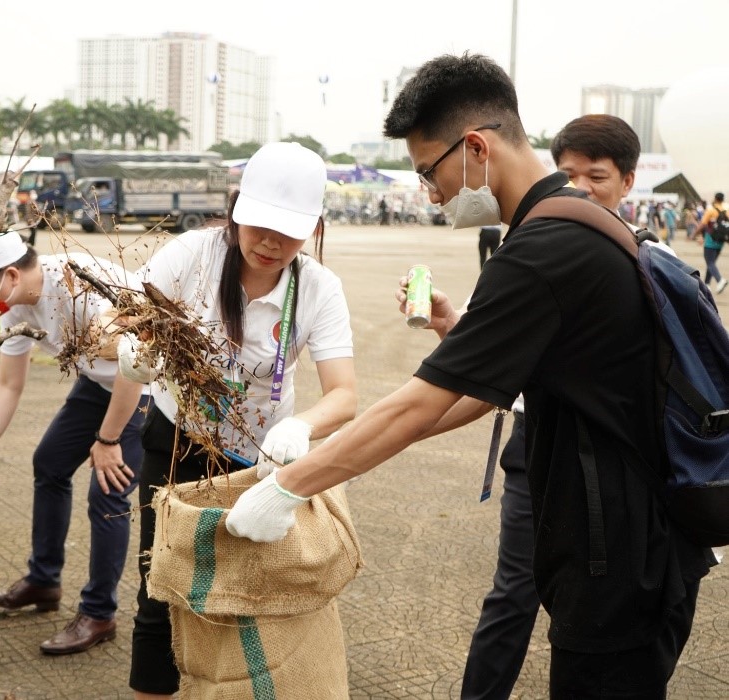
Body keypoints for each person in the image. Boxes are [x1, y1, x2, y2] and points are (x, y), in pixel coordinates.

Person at [226, 54, 716, 698]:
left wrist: (290, 485)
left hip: (621, 555)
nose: (430, 194)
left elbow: (419, 405)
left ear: (476, 148)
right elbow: (476, 396)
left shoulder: (544, 250)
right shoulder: (566, 225)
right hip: (629, 543)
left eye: (430, 173)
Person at [120, 141, 358, 699]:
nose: (272, 243)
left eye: (290, 231)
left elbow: (344, 394)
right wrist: (131, 343)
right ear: (235, 212)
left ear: (314, 227)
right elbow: (124, 312)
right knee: (160, 591)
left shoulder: (320, 289)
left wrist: (301, 426)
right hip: (175, 444)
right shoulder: (194, 256)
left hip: (260, 460)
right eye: (259, 226)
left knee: (241, 594)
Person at [460, 112, 650, 700]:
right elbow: (500, 366)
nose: (583, 187)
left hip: (614, 477)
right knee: (513, 593)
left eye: (597, 175)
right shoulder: (533, 247)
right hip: (536, 450)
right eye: (569, 174)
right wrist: (452, 329)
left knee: (602, 632)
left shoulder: (640, 261)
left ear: (628, 181)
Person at [0, 231, 150, 655]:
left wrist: (107, 440)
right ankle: (43, 580)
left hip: (147, 388)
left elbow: (137, 366)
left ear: (12, 275)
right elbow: (6, 385)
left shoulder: (81, 285)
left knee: (108, 490)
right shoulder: (15, 303)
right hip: (99, 384)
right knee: (49, 463)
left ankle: (99, 613)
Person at [697, 192, 728, 293]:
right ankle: (707, 285)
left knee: (710, 262)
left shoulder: (711, 210)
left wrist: (693, 234)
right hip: (721, 241)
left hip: (710, 240)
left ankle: (720, 280)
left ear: (715, 198)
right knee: (711, 263)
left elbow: (702, 224)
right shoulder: (726, 211)